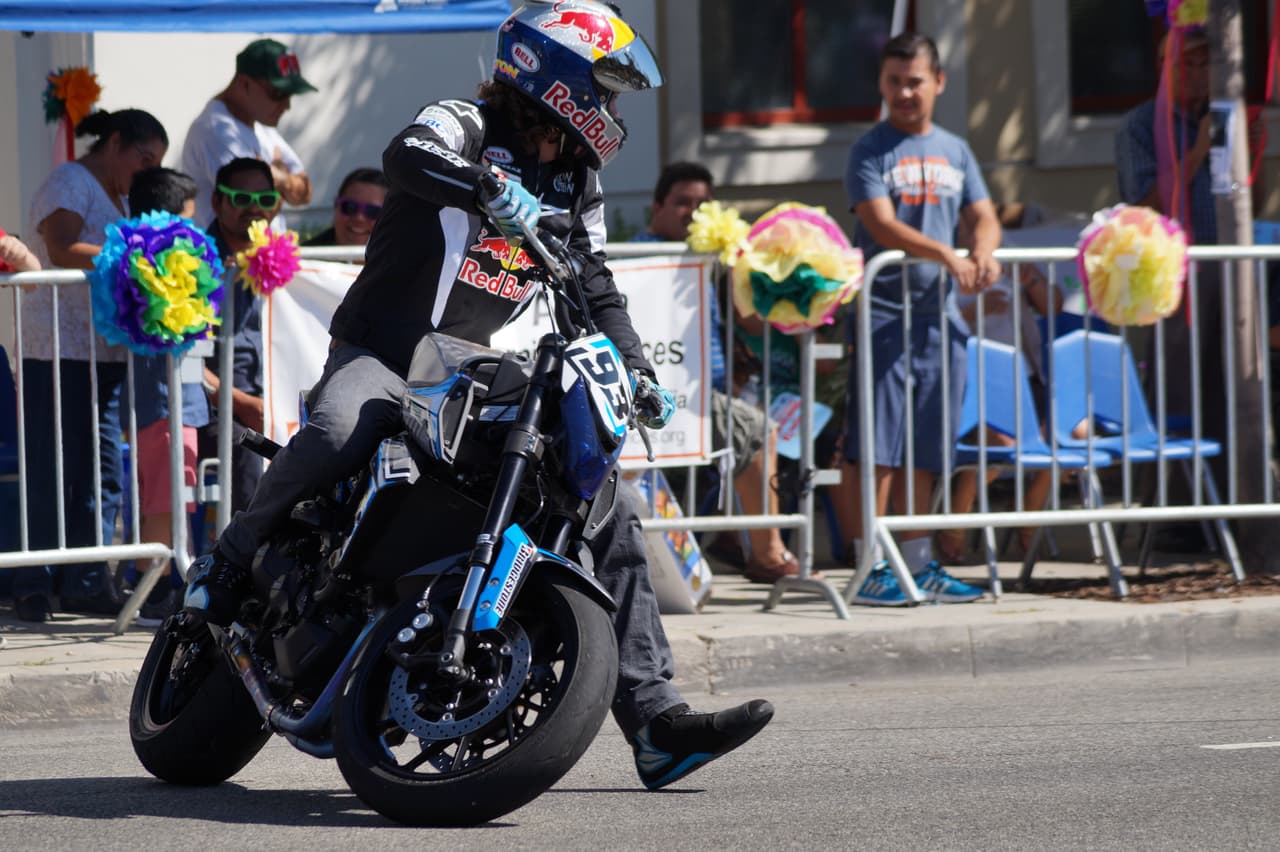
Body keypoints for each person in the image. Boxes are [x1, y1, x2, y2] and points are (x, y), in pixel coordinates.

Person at [181, 1, 772, 791]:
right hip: (385, 353)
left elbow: (592, 280)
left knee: (605, 504)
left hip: (464, 360)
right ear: (553, 74)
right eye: (605, 88)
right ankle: (228, 560)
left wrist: (635, 368)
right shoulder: (464, 121)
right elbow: (405, 156)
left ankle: (657, 722)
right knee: (334, 428)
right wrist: (482, 186)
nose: (613, 109)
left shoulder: (574, 174)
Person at [841, 32, 1002, 605]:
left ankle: (918, 561)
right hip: (885, 315)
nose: (904, 92)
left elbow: (984, 213)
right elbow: (880, 224)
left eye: (915, 81)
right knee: (880, 445)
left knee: (928, 444)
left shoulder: (956, 150)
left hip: (942, 319)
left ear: (939, 82)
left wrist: (982, 249)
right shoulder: (870, 149)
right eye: (893, 82)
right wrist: (948, 255)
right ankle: (875, 567)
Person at [13, 108, 169, 622]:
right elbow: (60, 245)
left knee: (101, 470)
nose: (147, 171)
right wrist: (134, 258)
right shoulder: (70, 180)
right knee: (53, 468)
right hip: (55, 349)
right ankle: (33, 580)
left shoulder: (123, 196)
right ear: (115, 142)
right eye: (144, 159)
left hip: (101, 352)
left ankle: (85, 578)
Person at [634, 161, 802, 583]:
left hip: (711, 391)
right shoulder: (641, 255)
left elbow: (747, 320)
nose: (692, 212)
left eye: (703, 204)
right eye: (681, 203)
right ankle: (767, 553)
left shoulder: (707, 256)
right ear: (657, 207)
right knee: (756, 428)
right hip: (666, 398)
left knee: (761, 422)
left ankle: (731, 534)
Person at [941, 203, 1064, 563]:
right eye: (968, 221)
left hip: (1023, 375)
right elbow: (935, 324)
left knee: (1070, 436)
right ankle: (953, 528)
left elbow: (1053, 304)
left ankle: (1026, 525)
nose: (975, 228)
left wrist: (1031, 281)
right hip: (970, 379)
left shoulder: (1005, 253)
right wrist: (975, 311)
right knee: (998, 445)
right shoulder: (941, 258)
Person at [123, 167, 211, 625]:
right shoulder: (149, 265)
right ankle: (152, 590)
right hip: (164, 404)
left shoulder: (157, 262)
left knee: (175, 495)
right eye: (189, 221)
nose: (195, 231)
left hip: (179, 401)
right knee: (167, 498)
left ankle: (154, 583)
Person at [199, 157, 277, 517]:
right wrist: (244, 405)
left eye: (264, 199)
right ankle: (241, 567)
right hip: (213, 410)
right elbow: (188, 365)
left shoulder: (286, 260)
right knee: (251, 450)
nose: (255, 209)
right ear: (217, 202)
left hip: (276, 402)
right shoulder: (192, 263)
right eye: (242, 199)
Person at [181, 38, 315, 229]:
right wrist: (282, 179)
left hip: (259, 253)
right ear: (244, 84)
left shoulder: (262, 126)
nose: (287, 105)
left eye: (289, 95)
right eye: (278, 94)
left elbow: (306, 193)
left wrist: (280, 179)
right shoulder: (216, 130)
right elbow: (256, 208)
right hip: (231, 256)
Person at [304, 167, 389, 248]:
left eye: (372, 211)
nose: (359, 218)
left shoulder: (400, 260)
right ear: (336, 205)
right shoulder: (304, 258)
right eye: (350, 207)